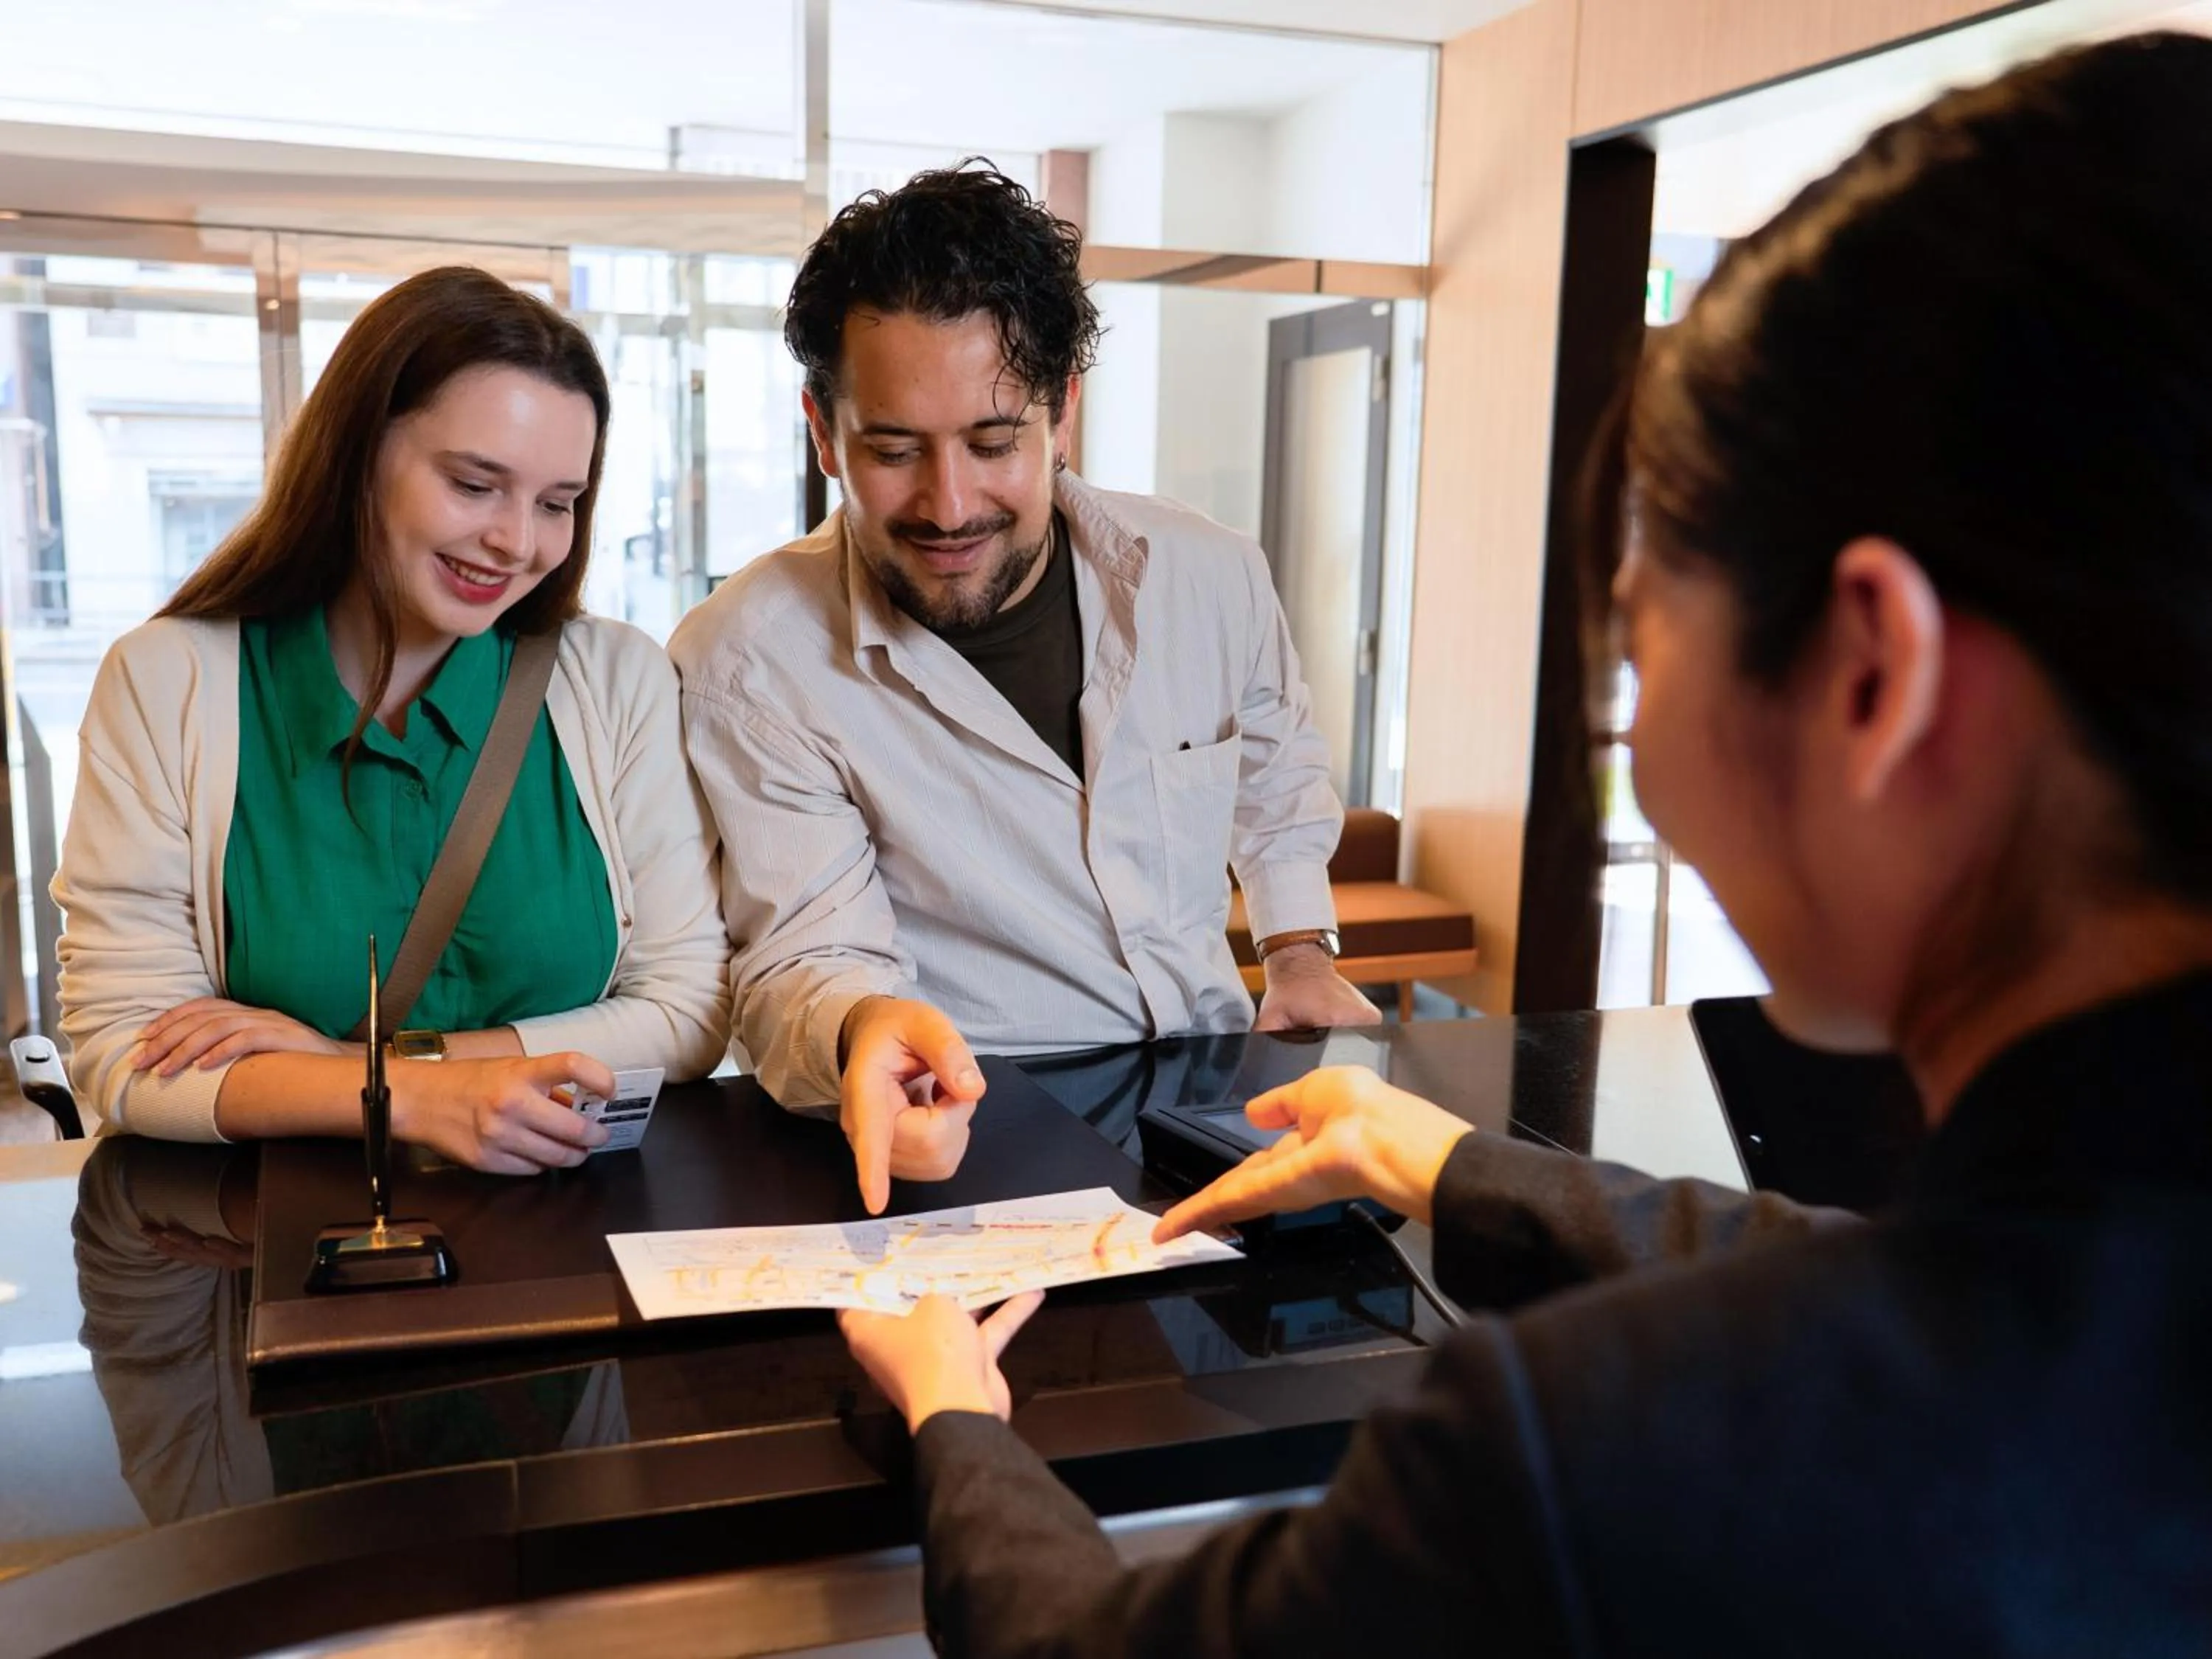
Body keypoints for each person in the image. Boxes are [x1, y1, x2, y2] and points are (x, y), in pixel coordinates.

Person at [834, 33, 2212, 1654]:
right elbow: (1886, 1271)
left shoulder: (1585, 1452)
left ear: (1869, 677)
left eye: (1636, 626)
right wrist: (1447, 1162)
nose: (1623, 723)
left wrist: (955, 1416)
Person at [669, 165, 1379, 1214]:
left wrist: (1299, 949)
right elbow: (804, 951)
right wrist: (863, 1030)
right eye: (894, 450)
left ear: (1063, 413)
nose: (949, 504)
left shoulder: (1209, 574)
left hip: (1217, 1111)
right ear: (824, 432)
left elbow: (1274, 774)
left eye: (994, 442)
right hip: (963, 1138)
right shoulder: (748, 660)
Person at [54, 266, 730, 1175]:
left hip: (569, 1220)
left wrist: (362, 1067)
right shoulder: (167, 680)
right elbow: (128, 1052)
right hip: (272, 1230)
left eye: (556, 504)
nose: (517, 541)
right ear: (356, 454)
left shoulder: (616, 678)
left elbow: (688, 1011)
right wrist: (410, 1100)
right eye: (474, 484)